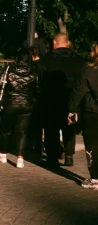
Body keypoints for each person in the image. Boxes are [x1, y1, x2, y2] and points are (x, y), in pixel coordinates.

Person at [39, 32, 85, 167]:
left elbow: (40, 78)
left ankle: (52, 157)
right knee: (69, 127)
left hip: (51, 99)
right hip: (71, 98)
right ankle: (69, 155)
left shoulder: (46, 59)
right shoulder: (79, 60)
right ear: (68, 43)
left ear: (54, 43)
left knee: (51, 128)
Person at [0, 48, 39, 169]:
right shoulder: (33, 71)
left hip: (10, 103)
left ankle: (2, 153)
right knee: (22, 131)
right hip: (27, 104)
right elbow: (37, 88)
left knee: (6, 130)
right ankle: (20, 158)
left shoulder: (9, 68)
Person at [68, 43, 98, 188]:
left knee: (92, 144)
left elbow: (78, 91)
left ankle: (95, 178)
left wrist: (71, 110)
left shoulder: (89, 70)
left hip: (92, 111)